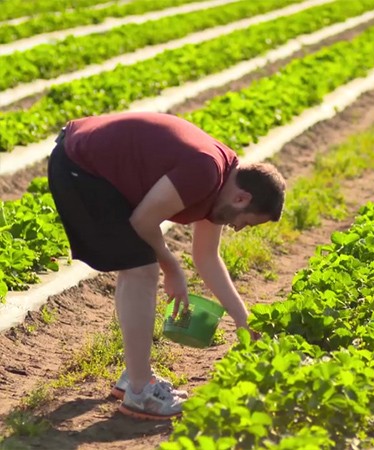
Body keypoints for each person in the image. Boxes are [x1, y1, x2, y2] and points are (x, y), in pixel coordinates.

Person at [47, 111, 286, 419]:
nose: (239, 228)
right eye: (247, 223)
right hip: (80, 166)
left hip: (90, 162)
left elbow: (207, 257)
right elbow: (143, 221)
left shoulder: (223, 183)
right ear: (242, 199)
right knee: (142, 269)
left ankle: (135, 377)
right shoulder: (206, 171)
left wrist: (243, 320)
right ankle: (139, 392)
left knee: (137, 266)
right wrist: (172, 268)